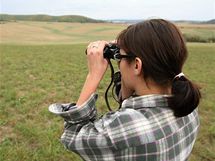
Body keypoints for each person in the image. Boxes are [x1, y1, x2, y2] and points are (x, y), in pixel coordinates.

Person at [49, 19, 201, 161]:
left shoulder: (124, 127)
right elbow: (134, 94)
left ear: (136, 65)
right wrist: (125, 51)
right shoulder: (188, 103)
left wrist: (93, 75)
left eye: (120, 58)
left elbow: (74, 134)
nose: (119, 62)